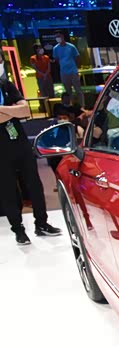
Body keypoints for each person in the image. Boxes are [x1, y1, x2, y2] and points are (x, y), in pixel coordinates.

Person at [0, 69, 62, 245]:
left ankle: (41, 223)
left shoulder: (6, 86)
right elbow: (18, 111)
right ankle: (18, 230)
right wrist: (13, 111)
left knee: (34, 183)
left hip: (20, 142)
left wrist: (4, 110)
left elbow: (25, 110)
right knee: (8, 189)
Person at [52, 31, 83, 107]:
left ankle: (82, 106)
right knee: (68, 92)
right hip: (64, 73)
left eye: (59, 36)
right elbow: (56, 59)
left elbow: (77, 57)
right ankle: (70, 106)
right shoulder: (55, 48)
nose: (58, 38)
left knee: (78, 90)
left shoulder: (71, 46)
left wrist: (75, 67)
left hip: (73, 71)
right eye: (56, 37)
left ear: (62, 36)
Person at [30, 44, 54, 111]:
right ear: (36, 50)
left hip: (48, 77)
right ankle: (46, 109)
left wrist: (46, 74)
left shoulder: (46, 57)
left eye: (41, 48)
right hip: (40, 78)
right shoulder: (33, 58)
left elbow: (49, 67)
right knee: (43, 93)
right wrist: (43, 74)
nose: (41, 49)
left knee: (51, 92)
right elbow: (35, 68)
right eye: (39, 48)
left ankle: (53, 107)